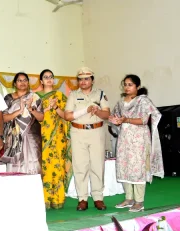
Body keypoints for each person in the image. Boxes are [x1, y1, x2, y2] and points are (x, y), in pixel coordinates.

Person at [109, 74, 164, 212]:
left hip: (138, 138)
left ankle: (139, 201)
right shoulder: (121, 102)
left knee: (137, 168)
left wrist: (126, 120)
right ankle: (129, 198)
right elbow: (115, 117)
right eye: (125, 84)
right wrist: (114, 121)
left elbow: (144, 120)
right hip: (124, 138)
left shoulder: (143, 101)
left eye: (130, 85)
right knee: (124, 166)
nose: (127, 87)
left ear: (137, 87)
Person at [64, 67, 110, 211]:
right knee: (80, 166)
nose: (83, 81)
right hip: (78, 132)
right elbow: (67, 116)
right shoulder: (72, 95)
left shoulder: (100, 94)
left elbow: (107, 114)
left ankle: (98, 198)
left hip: (96, 131)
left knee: (97, 165)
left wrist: (98, 110)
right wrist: (85, 110)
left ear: (92, 80)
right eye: (80, 79)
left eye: (86, 78)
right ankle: (82, 199)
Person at [36, 69, 72, 209]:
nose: (49, 79)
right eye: (46, 77)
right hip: (42, 136)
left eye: (51, 77)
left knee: (57, 166)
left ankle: (57, 199)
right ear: (41, 81)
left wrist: (56, 107)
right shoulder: (36, 97)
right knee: (44, 167)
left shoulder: (60, 96)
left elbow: (65, 116)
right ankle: (44, 200)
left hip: (58, 137)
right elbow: (34, 117)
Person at [1, 72, 43, 173]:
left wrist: (30, 108)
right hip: (14, 136)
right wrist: (19, 111)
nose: (22, 82)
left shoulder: (34, 98)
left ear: (28, 83)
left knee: (33, 163)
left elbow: (41, 118)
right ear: (15, 83)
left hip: (32, 136)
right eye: (19, 80)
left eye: (25, 80)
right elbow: (3, 118)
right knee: (15, 166)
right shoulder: (8, 98)